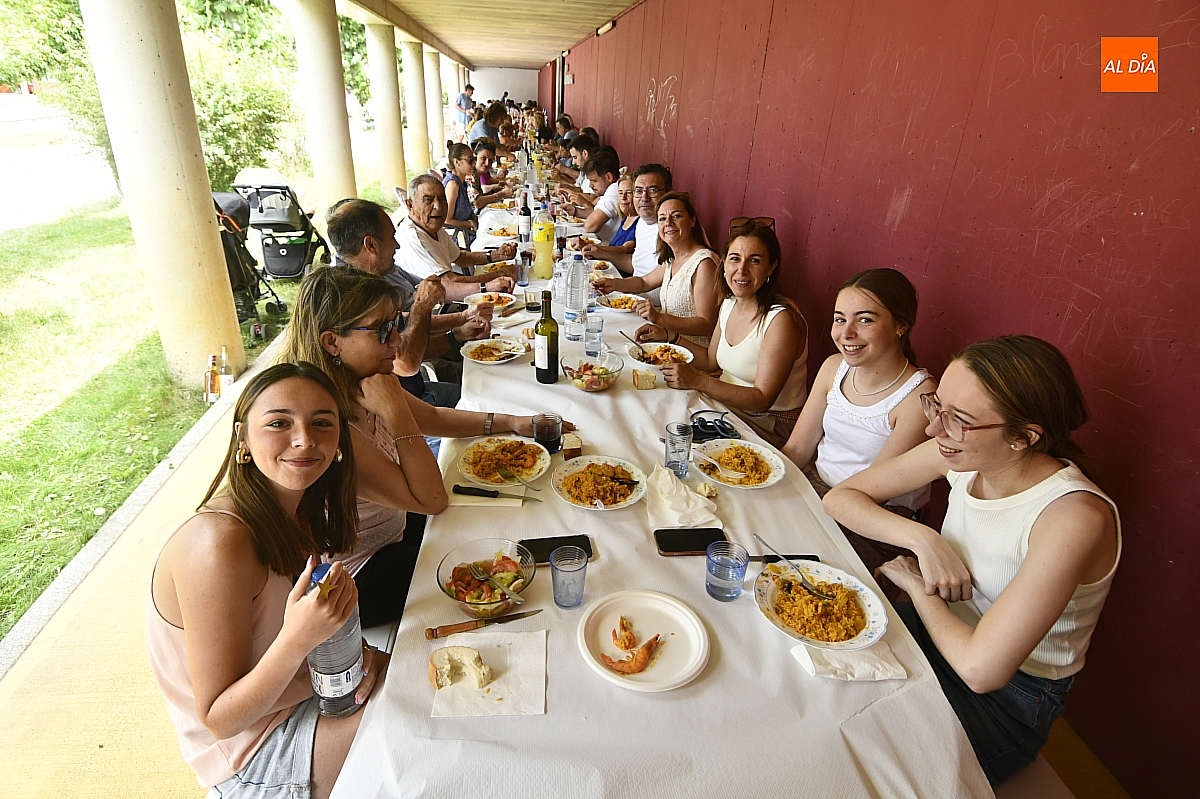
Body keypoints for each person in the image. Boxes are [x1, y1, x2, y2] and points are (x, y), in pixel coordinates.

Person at [823, 335, 1120, 785]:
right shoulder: (961, 452)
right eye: (935, 406)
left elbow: (983, 671)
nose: (933, 429)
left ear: (1024, 437)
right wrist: (922, 539)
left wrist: (921, 592)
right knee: (818, 678)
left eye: (958, 419)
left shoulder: (1071, 517)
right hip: (937, 638)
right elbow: (842, 498)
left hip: (1010, 700)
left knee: (851, 762)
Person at [280, 267, 570, 626]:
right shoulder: (329, 426)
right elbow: (432, 500)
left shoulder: (362, 381)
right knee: (492, 574)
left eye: (396, 326)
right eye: (383, 331)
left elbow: (434, 418)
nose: (398, 343)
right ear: (332, 342)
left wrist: (512, 422)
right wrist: (396, 411)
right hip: (358, 583)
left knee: (493, 524)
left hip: (394, 528)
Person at [147, 362, 385, 799]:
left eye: (321, 423)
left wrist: (359, 658)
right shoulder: (217, 544)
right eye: (279, 423)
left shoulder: (296, 509)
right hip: (252, 758)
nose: (304, 439)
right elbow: (219, 717)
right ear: (243, 439)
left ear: (338, 443)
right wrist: (300, 638)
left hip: (300, 699)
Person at [780, 267, 937, 577]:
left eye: (865, 320)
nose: (846, 333)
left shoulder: (917, 396)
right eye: (840, 319)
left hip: (875, 515)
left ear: (901, 325)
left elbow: (875, 490)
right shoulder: (833, 367)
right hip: (817, 488)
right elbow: (797, 449)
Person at [647, 222, 808, 447]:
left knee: (675, 442)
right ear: (723, 264)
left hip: (768, 423)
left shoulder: (782, 319)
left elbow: (762, 399)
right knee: (653, 418)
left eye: (754, 260)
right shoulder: (730, 303)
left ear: (770, 268)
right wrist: (668, 336)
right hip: (724, 406)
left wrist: (697, 381)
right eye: (734, 259)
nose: (741, 270)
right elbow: (711, 361)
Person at [325, 198, 492, 407]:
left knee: (490, 391)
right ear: (371, 245)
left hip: (418, 391)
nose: (397, 244)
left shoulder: (370, 277)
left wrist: (458, 331)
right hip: (399, 409)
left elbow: (405, 331)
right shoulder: (347, 294)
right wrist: (422, 306)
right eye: (391, 237)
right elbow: (404, 361)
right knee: (488, 398)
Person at [594, 191, 720, 346]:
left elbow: (706, 325)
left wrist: (659, 318)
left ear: (692, 220)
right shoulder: (672, 259)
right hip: (667, 345)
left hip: (691, 356)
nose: (668, 223)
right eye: (662, 218)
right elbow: (644, 282)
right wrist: (612, 284)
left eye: (676, 216)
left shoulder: (704, 263)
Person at [397, 175, 517, 286]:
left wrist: (497, 255)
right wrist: (499, 274)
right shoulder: (413, 236)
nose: (438, 207)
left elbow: (461, 258)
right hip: (437, 306)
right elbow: (449, 283)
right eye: (428, 200)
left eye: (442, 199)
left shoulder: (432, 225)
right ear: (410, 205)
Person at [583, 162, 671, 282]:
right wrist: (600, 253)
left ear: (667, 193)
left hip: (648, 298)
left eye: (653, 190)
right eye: (638, 191)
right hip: (634, 293)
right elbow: (636, 265)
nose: (644, 198)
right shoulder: (642, 222)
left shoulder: (671, 229)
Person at [561, 149, 621, 244]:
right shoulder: (608, 190)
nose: (590, 185)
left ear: (608, 177)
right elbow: (595, 213)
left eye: (594, 181)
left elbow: (590, 226)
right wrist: (575, 211)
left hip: (606, 246)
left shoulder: (615, 190)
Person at [442, 143, 477, 241]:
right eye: (470, 160)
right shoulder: (453, 185)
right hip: (458, 237)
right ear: (457, 162)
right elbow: (446, 221)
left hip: (465, 232)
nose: (474, 164)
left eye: (474, 160)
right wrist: (470, 223)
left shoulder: (461, 182)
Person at [465, 139, 513, 209]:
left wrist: (495, 190)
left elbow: (480, 196)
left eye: (490, 160)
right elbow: (477, 202)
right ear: (475, 156)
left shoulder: (477, 175)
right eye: (483, 158)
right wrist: (501, 194)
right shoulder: (470, 176)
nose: (487, 163)